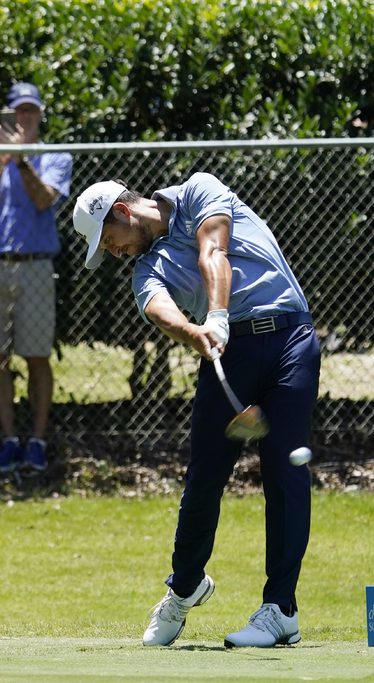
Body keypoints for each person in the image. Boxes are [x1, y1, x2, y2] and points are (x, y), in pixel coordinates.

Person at [72, 173, 320, 648]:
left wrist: (218, 315)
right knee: (204, 479)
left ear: (123, 213)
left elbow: (214, 250)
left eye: (109, 241)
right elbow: (159, 309)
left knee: (286, 473)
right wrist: (193, 332)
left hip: (290, 338)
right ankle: (184, 589)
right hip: (227, 354)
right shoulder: (146, 268)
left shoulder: (199, 191)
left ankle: (280, 610)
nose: (114, 252)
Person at [0, 82, 72, 474]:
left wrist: (22, 160)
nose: (24, 118)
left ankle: (37, 443)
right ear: (7, 117)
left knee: (37, 355)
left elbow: (45, 200)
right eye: (17, 112)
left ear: (40, 114)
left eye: (31, 111)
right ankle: (10, 441)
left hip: (37, 265)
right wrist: (0, 164)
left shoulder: (56, 156)